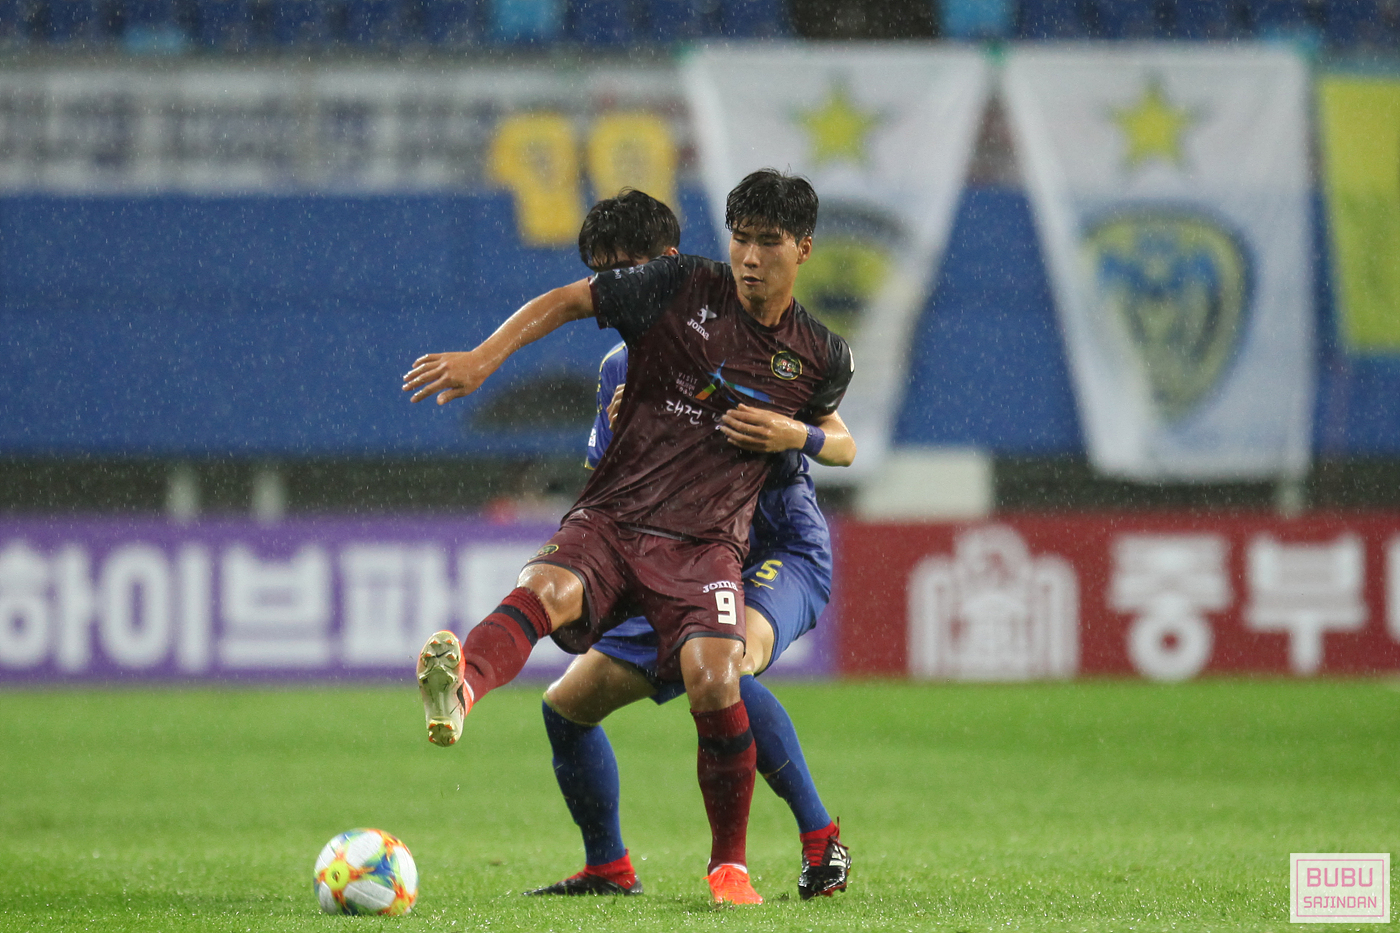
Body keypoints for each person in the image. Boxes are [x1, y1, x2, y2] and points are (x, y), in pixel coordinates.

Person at [403, 169, 854, 905]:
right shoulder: (625, 364)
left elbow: (841, 440)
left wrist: (790, 433)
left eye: (624, 272)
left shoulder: (795, 345)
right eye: (603, 274)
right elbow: (616, 474)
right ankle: (607, 865)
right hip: (664, 539)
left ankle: (815, 838)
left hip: (774, 540)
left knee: (725, 665)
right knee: (567, 703)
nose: (615, 290)